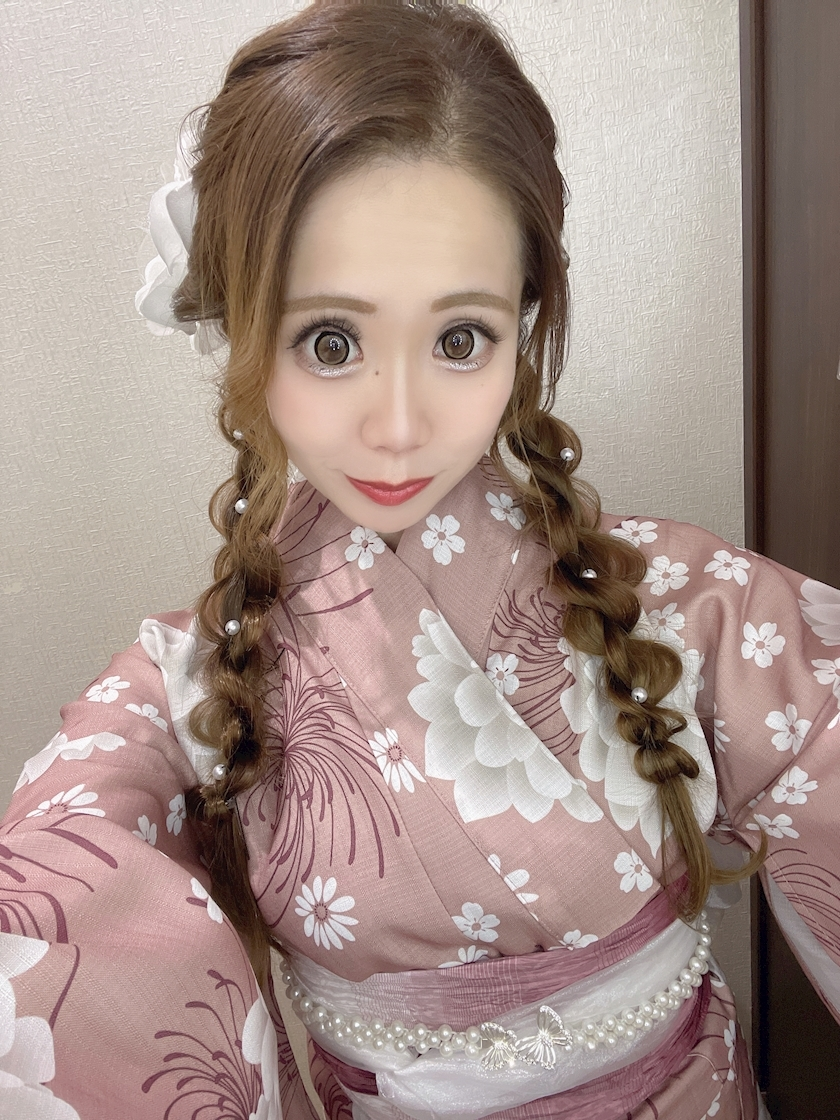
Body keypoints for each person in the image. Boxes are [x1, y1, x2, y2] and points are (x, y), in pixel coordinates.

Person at [1, 1, 838, 1117]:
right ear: (244, 333)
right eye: (330, 341)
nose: (398, 425)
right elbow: (55, 903)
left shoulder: (684, 610)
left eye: (459, 339)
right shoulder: (191, 689)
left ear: (523, 322)